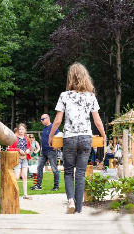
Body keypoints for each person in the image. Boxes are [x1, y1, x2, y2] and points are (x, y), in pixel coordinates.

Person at [49, 62, 106, 214]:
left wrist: (51, 134)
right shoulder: (91, 96)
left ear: (70, 78)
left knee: (68, 172)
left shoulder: (64, 96)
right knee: (80, 173)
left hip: (70, 137)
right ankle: (79, 209)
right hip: (86, 137)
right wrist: (104, 134)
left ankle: (70, 201)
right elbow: (97, 120)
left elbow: (58, 120)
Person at [30, 114, 60, 191]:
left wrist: (57, 147)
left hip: (51, 151)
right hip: (43, 151)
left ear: (47, 119)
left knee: (54, 169)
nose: (41, 121)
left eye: (42, 119)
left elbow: (60, 137)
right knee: (39, 167)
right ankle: (38, 185)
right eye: (41, 119)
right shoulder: (44, 128)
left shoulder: (53, 127)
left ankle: (56, 186)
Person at [7, 123, 32, 199]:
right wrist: (18, 150)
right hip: (17, 159)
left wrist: (28, 150)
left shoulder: (27, 138)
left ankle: (25, 194)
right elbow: (9, 148)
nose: (21, 131)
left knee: (24, 176)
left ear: (25, 130)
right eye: (20, 129)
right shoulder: (14, 138)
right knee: (17, 177)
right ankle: (11, 192)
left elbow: (29, 147)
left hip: (24, 158)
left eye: (23, 129)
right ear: (18, 130)